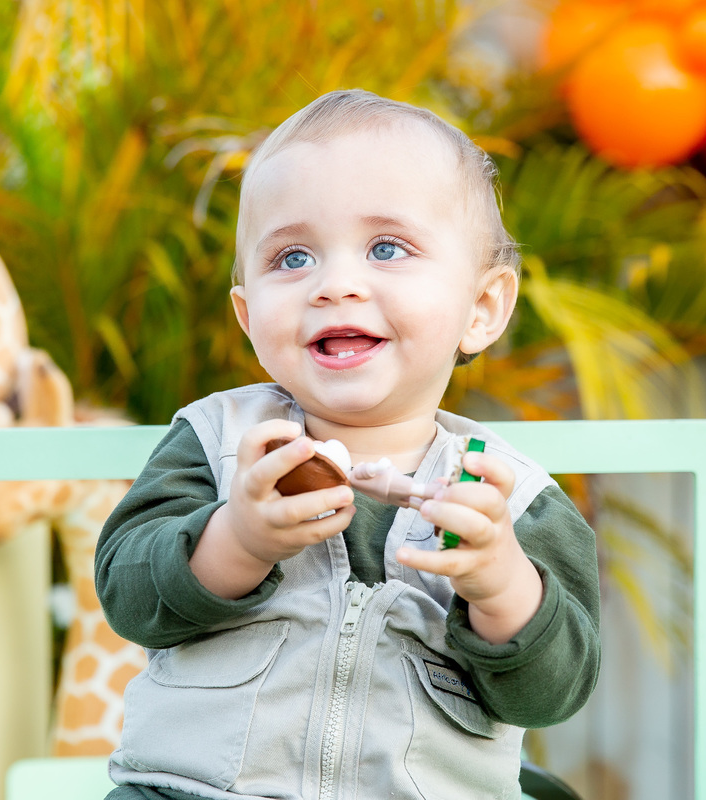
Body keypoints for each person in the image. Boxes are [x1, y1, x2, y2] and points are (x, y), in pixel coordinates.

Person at [95, 89, 601, 800]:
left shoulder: (507, 498)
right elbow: (128, 596)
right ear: (248, 316)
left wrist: (501, 585)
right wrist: (236, 539)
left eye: (387, 248)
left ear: (481, 309)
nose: (336, 285)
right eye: (293, 257)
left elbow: (552, 694)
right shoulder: (218, 443)